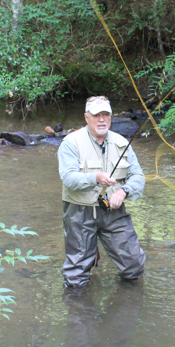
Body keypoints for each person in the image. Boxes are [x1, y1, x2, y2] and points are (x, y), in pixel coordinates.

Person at [57, 96, 146, 289]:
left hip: (113, 210)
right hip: (79, 212)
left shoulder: (122, 143)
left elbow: (138, 176)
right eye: (97, 115)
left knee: (134, 266)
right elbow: (68, 178)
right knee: (76, 278)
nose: (102, 119)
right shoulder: (70, 143)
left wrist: (124, 191)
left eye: (106, 114)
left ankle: (124, 306)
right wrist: (95, 178)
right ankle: (80, 312)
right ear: (86, 117)